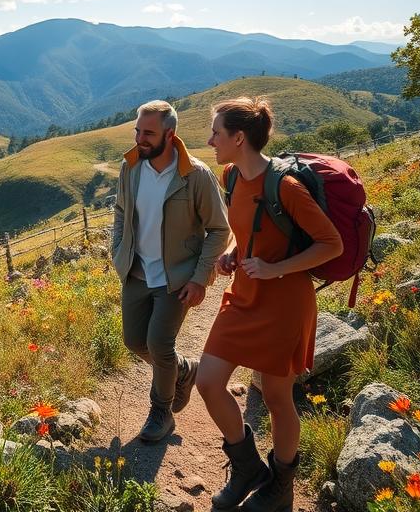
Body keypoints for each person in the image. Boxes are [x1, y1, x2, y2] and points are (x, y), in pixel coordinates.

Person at [197, 98, 343, 512]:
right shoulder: (231, 176)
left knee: (277, 397)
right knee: (208, 381)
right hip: (244, 294)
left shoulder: (287, 187)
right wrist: (232, 252)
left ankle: (280, 487)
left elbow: (331, 244)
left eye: (216, 133)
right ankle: (247, 469)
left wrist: (276, 268)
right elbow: (244, 229)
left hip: (285, 303)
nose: (210, 140)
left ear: (239, 138)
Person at [112, 100, 231, 443]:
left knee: (159, 344)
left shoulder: (195, 176)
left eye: (148, 133)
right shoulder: (131, 168)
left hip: (176, 278)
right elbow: (121, 211)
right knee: (134, 341)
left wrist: (199, 278)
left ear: (170, 134)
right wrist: (118, 250)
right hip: (136, 271)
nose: (140, 139)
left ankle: (161, 412)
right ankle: (184, 370)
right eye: (137, 131)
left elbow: (219, 230)